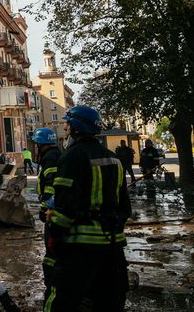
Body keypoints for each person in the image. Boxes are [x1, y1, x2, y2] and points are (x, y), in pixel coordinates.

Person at [44, 105, 130, 311]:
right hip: (113, 245)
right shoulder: (113, 158)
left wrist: (54, 232)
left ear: (74, 127)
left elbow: (66, 206)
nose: (65, 129)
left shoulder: (73, 156)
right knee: (107, 300)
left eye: (67, 125)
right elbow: (124, 206)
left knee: (62, 299)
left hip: (80, 247)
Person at [33, 127, 61, 295]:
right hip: (58, 210)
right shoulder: (55, 155)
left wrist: (45, 209)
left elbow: (52, 185)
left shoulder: (50, 158)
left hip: (54, 212)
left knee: (52, 248)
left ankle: (53, 281)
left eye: (36, 144)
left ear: (41, 144)